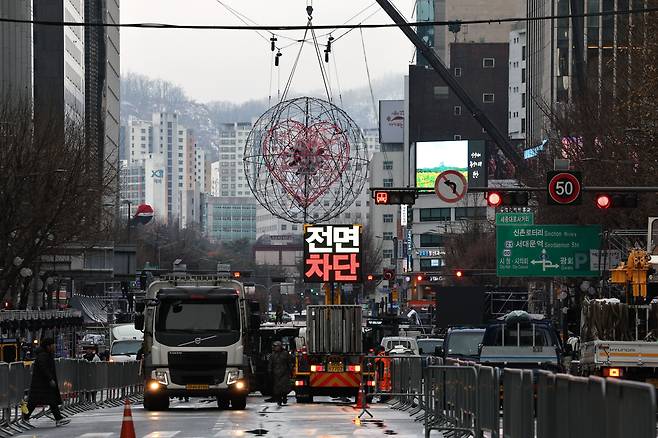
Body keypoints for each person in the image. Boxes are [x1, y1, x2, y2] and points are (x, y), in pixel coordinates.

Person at [22, 338, 70, 427]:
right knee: (36, 402)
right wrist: (50, 379)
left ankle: (58, 419)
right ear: (48, 346)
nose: (54, 347)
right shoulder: (43, 355)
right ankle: (25, 418)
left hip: (42, 383)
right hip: (42, 383)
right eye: (53, 345)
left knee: (49, 401)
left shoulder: (46, 354)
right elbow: (44, 368)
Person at [267, 341, 292, 406]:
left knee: (284, 387)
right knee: (277, 388)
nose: (275, 348)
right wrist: (270, 371)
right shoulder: (272, 355)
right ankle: (279, 399)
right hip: (276, 374)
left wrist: (290, 371)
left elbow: (289, 363)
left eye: (276, 346)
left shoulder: (285, 354)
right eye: (274, 346)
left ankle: (284, 397)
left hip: (284, 373)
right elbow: (270, 364)